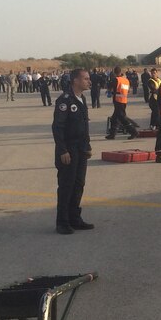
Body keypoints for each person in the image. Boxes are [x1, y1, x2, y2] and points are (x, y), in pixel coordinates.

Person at [51, 68, 94, 235]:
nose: (88, 81)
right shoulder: (65, 100)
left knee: (78, 185)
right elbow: (58, 127)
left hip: (80, 149)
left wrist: (87, 146)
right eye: (85, 79)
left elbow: (84, 126)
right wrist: (62, 150)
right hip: (68, 150)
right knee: (66, 186)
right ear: (75, 80)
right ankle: (62, 222)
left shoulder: (81, 98)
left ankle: (75, 218)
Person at [105, 65, 138, 140]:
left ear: (114, 72)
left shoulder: (116, 79)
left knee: (122, 117)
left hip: (118, 100)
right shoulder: (126, 80)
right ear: (121, 72)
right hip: (124, 100)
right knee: (114, 118)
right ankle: (112, 134)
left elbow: (109, 86)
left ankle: (133, 131)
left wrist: (109, 88)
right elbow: (128, 90)